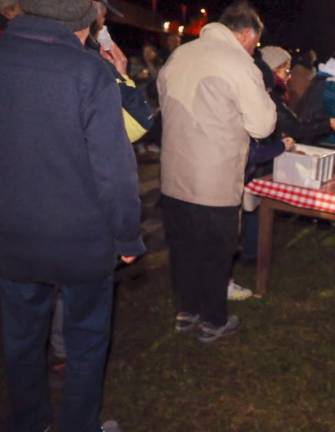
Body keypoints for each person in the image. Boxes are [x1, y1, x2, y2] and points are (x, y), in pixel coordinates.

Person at [0, 0, 144, 430]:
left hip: (11, 236)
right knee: (84, 341)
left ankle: (30, 421)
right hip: (80, 241)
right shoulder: (90, 73)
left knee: (21, 340)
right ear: (85, 24)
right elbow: (114, 170)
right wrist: (127, 238)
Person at [157, 0, 276, 343]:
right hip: (214, 178)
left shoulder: (181, 54)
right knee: (215, 251)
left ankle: (186, 309)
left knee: (183, 248)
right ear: (246, 34)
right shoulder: (237, 62)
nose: (255, 50)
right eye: (255, 43)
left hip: (173, 173)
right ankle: (212, 319)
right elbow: (263, 124)